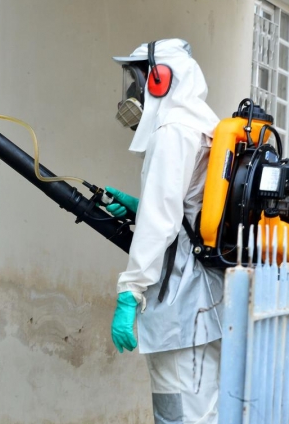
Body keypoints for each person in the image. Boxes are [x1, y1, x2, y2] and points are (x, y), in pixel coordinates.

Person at [107, 38, 224, 424]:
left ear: (159, 81)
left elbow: (162, 221)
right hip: (207, 298)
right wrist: (141, 207)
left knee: (179, 414)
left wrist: (130, 290)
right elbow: (189, 206)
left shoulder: (174, 130)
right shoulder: (204, 123)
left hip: (181, 302)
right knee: (202, 410)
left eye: (138, 78)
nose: (132, 89)